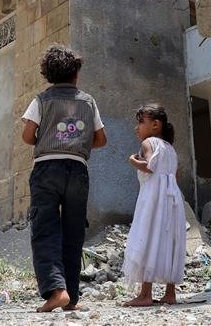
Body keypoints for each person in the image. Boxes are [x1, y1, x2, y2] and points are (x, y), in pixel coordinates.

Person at [21, 44, 107, 312]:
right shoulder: (88, 101)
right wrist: (76, 142)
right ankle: (71, 296)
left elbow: (27, 136)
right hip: (78, 170)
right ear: (76, 74)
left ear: (48, 74)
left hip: (46, 169)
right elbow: (101, 139)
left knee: (45, 229)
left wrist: (48, 138)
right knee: (73, 234)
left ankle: (56, 291)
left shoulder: (40, 100)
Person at [122, 104, 186, 307]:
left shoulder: (149, 142)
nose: (136, 128)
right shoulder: (170, 148)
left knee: (148, 238)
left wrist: (132, 160)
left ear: (155, 125)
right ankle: (170, 293)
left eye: (141, 122)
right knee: (169, 241)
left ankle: (145, 294)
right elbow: (174, 175)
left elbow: (150, 166)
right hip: (172, 198)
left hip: (153, 199)